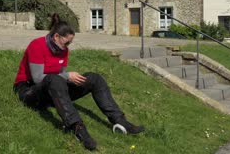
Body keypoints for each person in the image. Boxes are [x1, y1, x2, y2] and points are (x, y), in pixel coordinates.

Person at [13, 14, 144, 151]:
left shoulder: (63, 50)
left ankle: (120, 121)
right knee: (54, 79)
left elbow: (60, 75)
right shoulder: (37, 45)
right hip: (29, 90)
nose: (68, 46)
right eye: (67, 42)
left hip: (52, 90)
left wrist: (67, 79)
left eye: (70, 43)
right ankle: (77, 128)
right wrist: (67, 76)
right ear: (56, 36)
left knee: (94, 78)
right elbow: (38, 78)